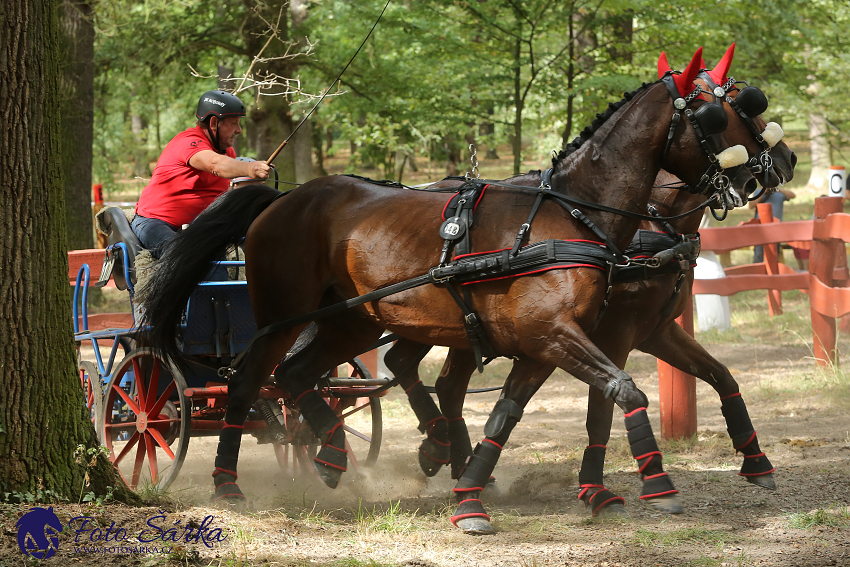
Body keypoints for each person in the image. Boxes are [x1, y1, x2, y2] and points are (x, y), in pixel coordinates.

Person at [131, 90, 270, 257]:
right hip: (155, 222)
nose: (239, 130)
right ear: (213, 123)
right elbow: (214, 164)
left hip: (199, 227)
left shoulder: (228, 152)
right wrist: (251, 169)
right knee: (183, 256)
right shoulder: (189, 142)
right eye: (234, 123)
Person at [751, 187, 796, 263]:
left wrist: (779, 190)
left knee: (774, 253)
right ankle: (758, 272)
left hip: (775, 228)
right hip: (760, 228)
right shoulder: (758, 192)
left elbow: (793, 195)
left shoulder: (779, 193)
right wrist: (763, 192)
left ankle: (773, 272)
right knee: (759, 253)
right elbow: (751, 205)